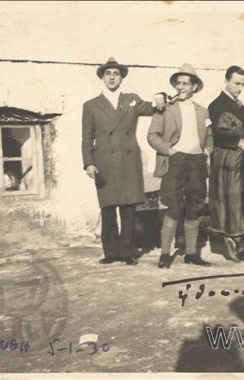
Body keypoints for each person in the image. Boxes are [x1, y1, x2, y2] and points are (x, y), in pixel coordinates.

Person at [82, 57, 165, 265]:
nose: (112, 77)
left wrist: (160, 97)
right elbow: (86, 138)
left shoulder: (132, 100)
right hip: (104, 163)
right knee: (108, 208)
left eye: (116, 74)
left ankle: (127, 253)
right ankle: (111, 253)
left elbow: (152, 107)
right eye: (108, 73)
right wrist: (89, 163)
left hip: (128, 161)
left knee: (128, 209)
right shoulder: (91, 105)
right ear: (102, 77)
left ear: (121, 78)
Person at [147, 63, 213, 268]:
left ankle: (191, 254)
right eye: (179, 83)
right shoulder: (165, 109)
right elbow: (152, 135)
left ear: (194, 87)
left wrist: (207, 152)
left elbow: (210, 137)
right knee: (174, 207)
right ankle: (165, 254)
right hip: (175, 161)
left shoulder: (203, 111)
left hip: (197, 162)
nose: (182, 87)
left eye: (186, 83)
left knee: (195, 207)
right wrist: (169, 150)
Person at [208, 65, 244, 262]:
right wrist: (238, 142)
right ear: (226, 81)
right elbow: (218, 134)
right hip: (226, 158)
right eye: (236, 83)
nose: (239, 88)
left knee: (241, 200)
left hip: (240, 158)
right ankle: (230, 243)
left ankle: (239, 242)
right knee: (229, 201)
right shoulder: (217, 104)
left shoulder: (239, 106)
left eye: (242, 84)